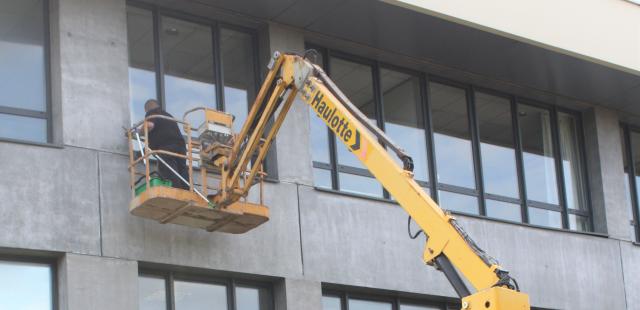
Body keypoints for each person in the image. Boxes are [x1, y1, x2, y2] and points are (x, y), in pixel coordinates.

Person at [142, 99, 189, 190]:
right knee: (182, 168)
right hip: (181, 147)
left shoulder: (153, 113)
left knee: (166, 166)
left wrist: (139, 132)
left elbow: (149, 125)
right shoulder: (168, 116)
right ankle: (186, 190)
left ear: (147, 109)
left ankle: (175, 189)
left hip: (167, 147)